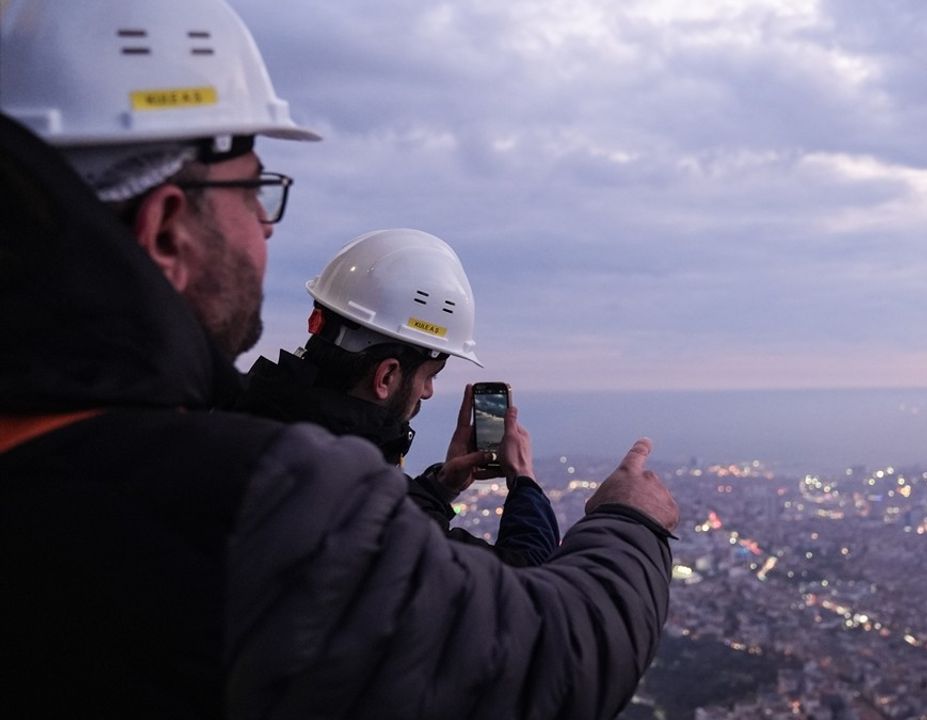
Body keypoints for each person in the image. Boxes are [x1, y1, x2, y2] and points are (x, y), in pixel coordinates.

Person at [0, 2, 678, 719]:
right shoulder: (249, 490)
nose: (265, 223)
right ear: (168, 228)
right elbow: (541, 662)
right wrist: (628, 524)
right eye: (254, 189)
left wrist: (436, 489)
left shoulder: (111, 443)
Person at [238, 228, 560, 566]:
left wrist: (440, 487)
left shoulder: (250, 419)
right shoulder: (354, 504)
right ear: (387, 376)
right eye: (428, 376)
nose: (428, 392)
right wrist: (524, 480)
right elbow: (523, 578)